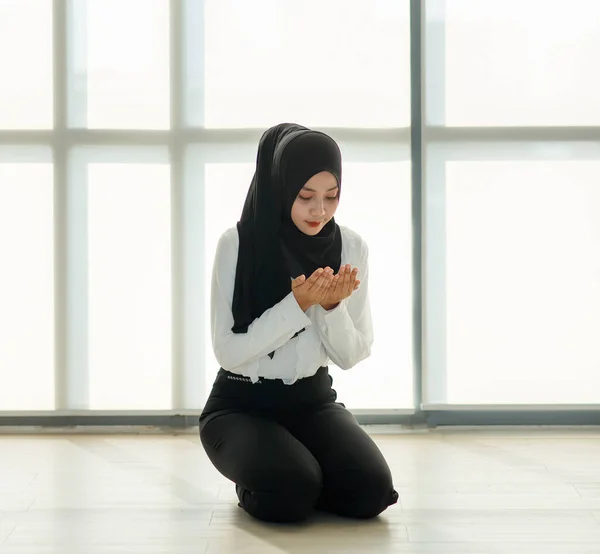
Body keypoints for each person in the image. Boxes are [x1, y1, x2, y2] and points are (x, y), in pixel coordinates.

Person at [199, 122, 398, 523]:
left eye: (332, 196)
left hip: (312, 402)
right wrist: (299, 303)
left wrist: (330, 309)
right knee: (290, 493)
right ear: (280, 188)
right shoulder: (237, 245)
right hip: (240, 406)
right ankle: (280, 480)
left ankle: (299, 475)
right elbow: (229, 351)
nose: (319, 210)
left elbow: (353, 354)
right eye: (305, 196)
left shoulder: (351, 247)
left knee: (372, 492)